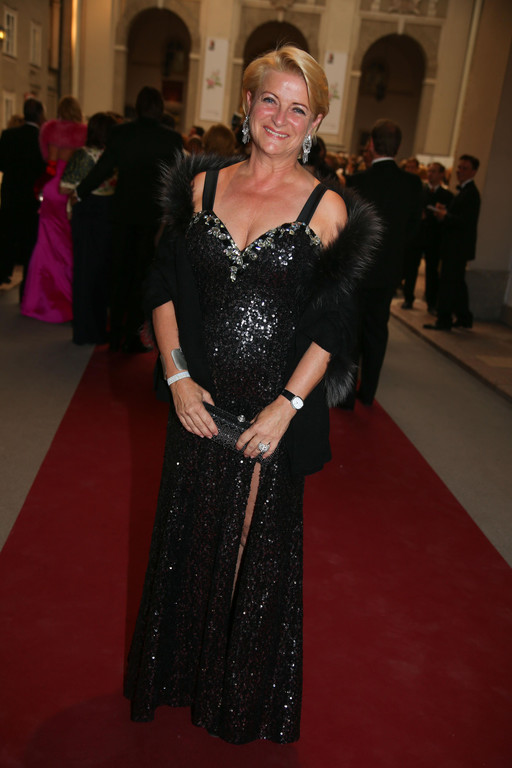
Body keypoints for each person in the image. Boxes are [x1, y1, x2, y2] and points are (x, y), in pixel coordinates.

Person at [123, 45, 379, 744]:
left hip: (269, 412)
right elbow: (162, 287)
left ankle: (231, 694)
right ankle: (179, 675)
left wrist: (287, 408)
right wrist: (177, 378)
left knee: (245, 550)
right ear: (246, 103)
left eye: (299, 108)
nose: (281, 118)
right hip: (197, 399)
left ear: (316, 122)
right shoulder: (201, 188)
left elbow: (334, 327)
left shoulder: (328, 208)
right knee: (186, 538)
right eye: (271, 99)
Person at [75, 87, 183, 353]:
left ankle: (114, 335)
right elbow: (176, 182)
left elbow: (103, 169)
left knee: (118, 274)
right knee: (141, 278)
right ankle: (132, 336)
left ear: (137, 106)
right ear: (160, 108)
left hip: (121, 214)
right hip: (150, 218)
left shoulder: (120, 132)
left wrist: (79, 192)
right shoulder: (171, 139)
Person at [345, 118, 423, 405]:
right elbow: (415, 228)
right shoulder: (412, 184)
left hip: (359, 268)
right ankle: (368, 393)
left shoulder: (358, 181)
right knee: (378, 329)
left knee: (352, 330)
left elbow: (348, 227)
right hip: (389, 269)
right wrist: (395, 251)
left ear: (371, 145)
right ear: (398, 147)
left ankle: (346, 395)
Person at [20, 96, 87, 322]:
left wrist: (39, 186)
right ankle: (66, 300)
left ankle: (37, 302)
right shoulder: (83, 133)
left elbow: (49, 165)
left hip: (51, 189)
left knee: (45, 245)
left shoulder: (49, 130)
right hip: (69, 190)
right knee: (67, 245)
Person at [60, 112, 118, 345]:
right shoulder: (112, 155)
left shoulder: (83, 155)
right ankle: (98, 327)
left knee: (85, 272)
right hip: (107, 213)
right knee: (101, 274)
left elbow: (65, 187)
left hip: (86, 213)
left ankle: (84, 330)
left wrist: (80, 191)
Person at [424, 154, 480, 331]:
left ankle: (444, 320)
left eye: (464, 168)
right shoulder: (465, 191)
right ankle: (464, 317)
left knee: (448, 283)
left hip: (457, 247)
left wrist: (445, 216)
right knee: (457, 283)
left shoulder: (471, 193)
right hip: (456, 246)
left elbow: (464, 221)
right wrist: (446, 211)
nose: (459, 171)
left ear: (473, 171)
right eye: (459, 167)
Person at [0, 98, 46, 290]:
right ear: (40, 115)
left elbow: (1, 164)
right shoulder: (41, 139)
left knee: (7, 236)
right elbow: (44, 169)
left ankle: (3, 272)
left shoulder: (8, 135)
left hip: (10, 193)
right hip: (31, 197)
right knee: (29, 242)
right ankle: (26, 286)